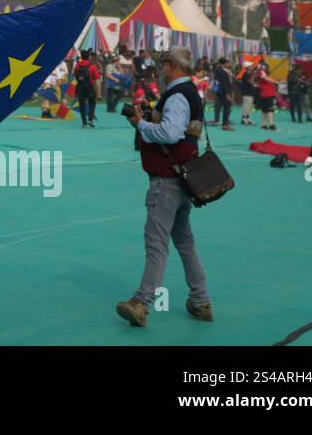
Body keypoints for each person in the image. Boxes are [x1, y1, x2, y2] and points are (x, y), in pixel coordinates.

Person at [116, 46, 212, 328]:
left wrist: (141, 124)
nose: (160, 70)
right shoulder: (192, 93)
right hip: (183, 177)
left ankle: (141, 302)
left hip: (167, 180)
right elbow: (182, 131)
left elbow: (170, 134)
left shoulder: (177, 96)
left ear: (171, 65)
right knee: (184, 242)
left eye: (163, 64)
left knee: (156, 242)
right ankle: (200, 300)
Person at [73, 49, 100, 128]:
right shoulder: (92, 67)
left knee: (82, 105)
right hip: (90, 88)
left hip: (80, 88)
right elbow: (98, 81)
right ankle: (90, 119)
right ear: (89, 57)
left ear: (81, 56)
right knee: (92, 104)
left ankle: (84, 122)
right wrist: (99, 94)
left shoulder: (77, 65)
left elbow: (75, 75)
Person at [211, 58, 233, 130]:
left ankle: (223, 122)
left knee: (220, 106)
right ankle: (225, 125)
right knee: (226, 108)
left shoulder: (219, 70)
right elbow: (224, 83)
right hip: (224, 92)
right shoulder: (222, 71)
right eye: (228, 63)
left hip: (220, 91)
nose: (229, 64)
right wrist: (227, 94)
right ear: (225, 63)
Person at [257, 64, 279, 131]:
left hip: (265, 94)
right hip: (268, 94)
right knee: (270, 110)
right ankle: (271, 125)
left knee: (265, 110)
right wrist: (275, 81)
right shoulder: (262, 72)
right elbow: (265, 78)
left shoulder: (261, 73)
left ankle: (264, 125)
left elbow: (266, 78)